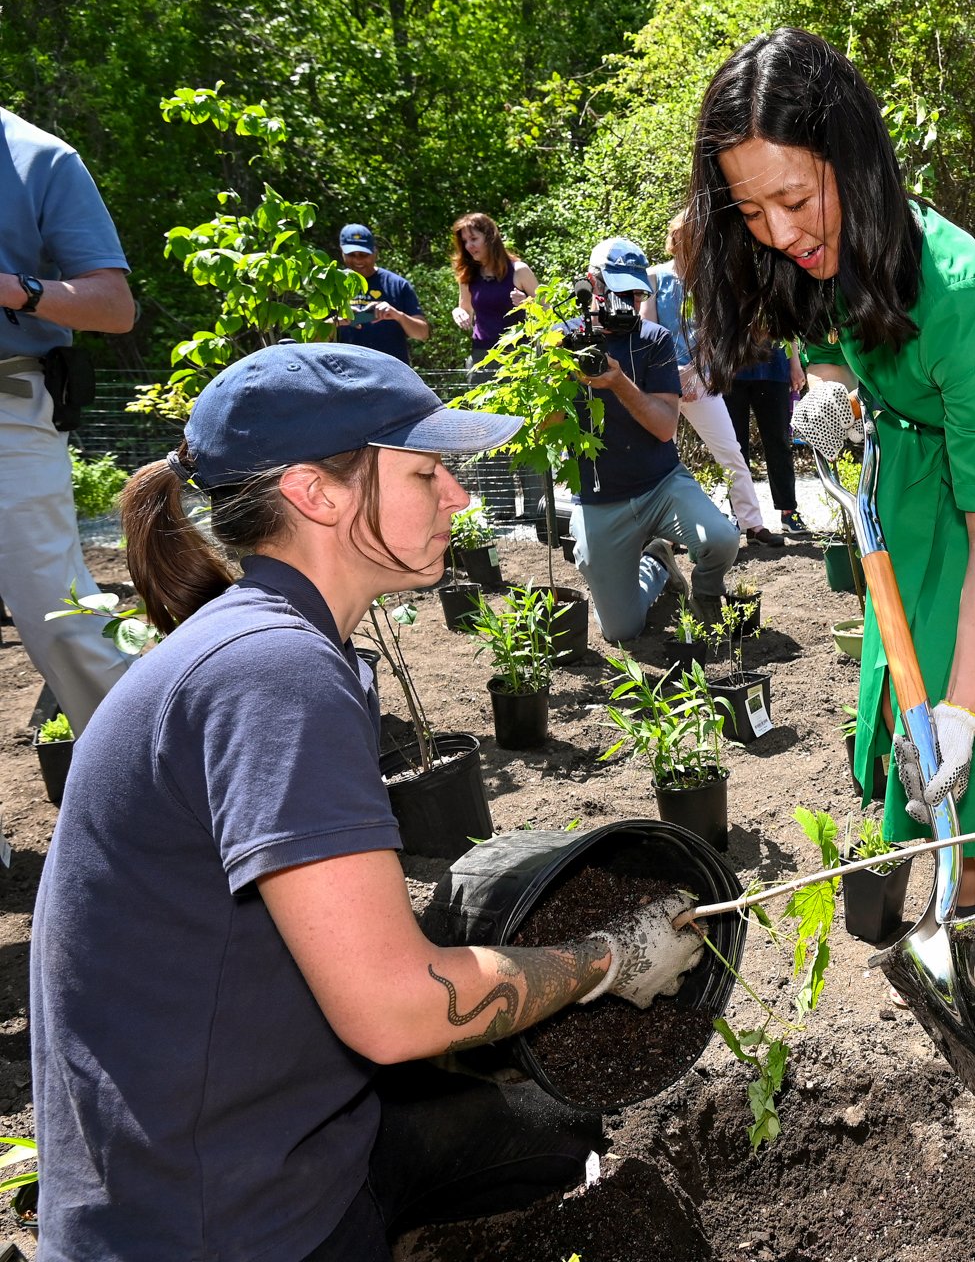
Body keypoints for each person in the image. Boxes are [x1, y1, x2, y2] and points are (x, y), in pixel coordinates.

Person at [28, 342, 710, 1260]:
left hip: (257, 1137)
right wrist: (608, 956)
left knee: (542, 1131)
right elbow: (394, 1009)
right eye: (427, 472)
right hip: (216, 1223)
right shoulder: (273, 675)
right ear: (317, 493)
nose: (460, 498)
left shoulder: (267, 643)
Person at [688, 28, 975, 979]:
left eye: (796, 199)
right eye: (751, 210)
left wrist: (964, 710)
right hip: (925, 482)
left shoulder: (959, 293)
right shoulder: (816, 253)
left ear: (854, 161)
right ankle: (971, 919)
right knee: (915, 732)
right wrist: (840, 387)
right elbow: (851, 345)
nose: (780, 233)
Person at [0, 106, 137, 734]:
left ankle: (163, 792)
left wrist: (12, 288)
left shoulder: (39, 157)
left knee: (62, 613)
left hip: (8, 408)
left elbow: (115, 307)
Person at [571, 236, 740, 641]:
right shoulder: (563, 341)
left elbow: (666, 426)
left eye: (634, 293)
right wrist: (560, 375)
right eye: (617, 290)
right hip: (600, 497)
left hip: (661, 485)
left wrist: (616, 382)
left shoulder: (654, 339)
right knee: (621, 630)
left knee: (721, 539)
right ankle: (658, 563)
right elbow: (544, 430)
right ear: (592, 284)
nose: (626, 302)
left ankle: (706, 596)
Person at [649, 211, 782, 547]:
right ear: (677, 239)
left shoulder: (709, 281)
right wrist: (669, 377)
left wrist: (696, 375)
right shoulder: (653, 278)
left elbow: (716, 336)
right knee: (663, 458)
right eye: (690, 236)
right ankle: (668, 535)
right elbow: (646, 332)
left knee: (730, 452)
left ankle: (752, 524)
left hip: (700, 382)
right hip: (661, 384)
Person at [720, 335, 809, 537]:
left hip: (774, 366)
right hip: (732, 368)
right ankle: (740, 513)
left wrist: (794, 362)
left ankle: (789, 511)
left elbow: (787, 323)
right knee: (735, 447)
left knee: (779, 441)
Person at [450, 212, 540, 382]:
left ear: (490, 237)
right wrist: (458, 312)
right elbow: (465, 309)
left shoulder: (519, 270)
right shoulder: (467, 275)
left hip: (517, 356)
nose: (469, 246)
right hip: (481, 356)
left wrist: (528, 303)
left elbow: (548, 311)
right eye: (465, 241)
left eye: (474, 239)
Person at [331, 223, 429, 365]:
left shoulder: (397, 285)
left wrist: (397, 315)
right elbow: (311, 338)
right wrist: (337, 321)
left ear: (375, 252)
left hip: (390, 373)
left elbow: (422, 334)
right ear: (342, 252)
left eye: (364, 255)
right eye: (352, 255)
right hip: (343, 372)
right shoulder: (332, 285)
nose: (358, 260)